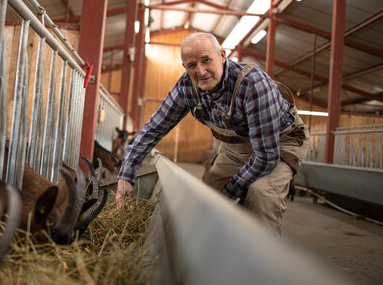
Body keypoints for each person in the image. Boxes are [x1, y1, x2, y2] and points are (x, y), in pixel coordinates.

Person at [115, 32, 309, 235]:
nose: (200, 71)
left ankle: (262, 260)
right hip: (237, 146)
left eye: (206, 60)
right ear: (185, 67)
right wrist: (126, 174)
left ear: (223, 56)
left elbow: (266, 156)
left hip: (279, 144)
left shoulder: (253, 84)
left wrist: (230, 193)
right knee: (208, 197)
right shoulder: (186, 87)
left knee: (260, 195)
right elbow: (153, 128)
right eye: (191, 65)